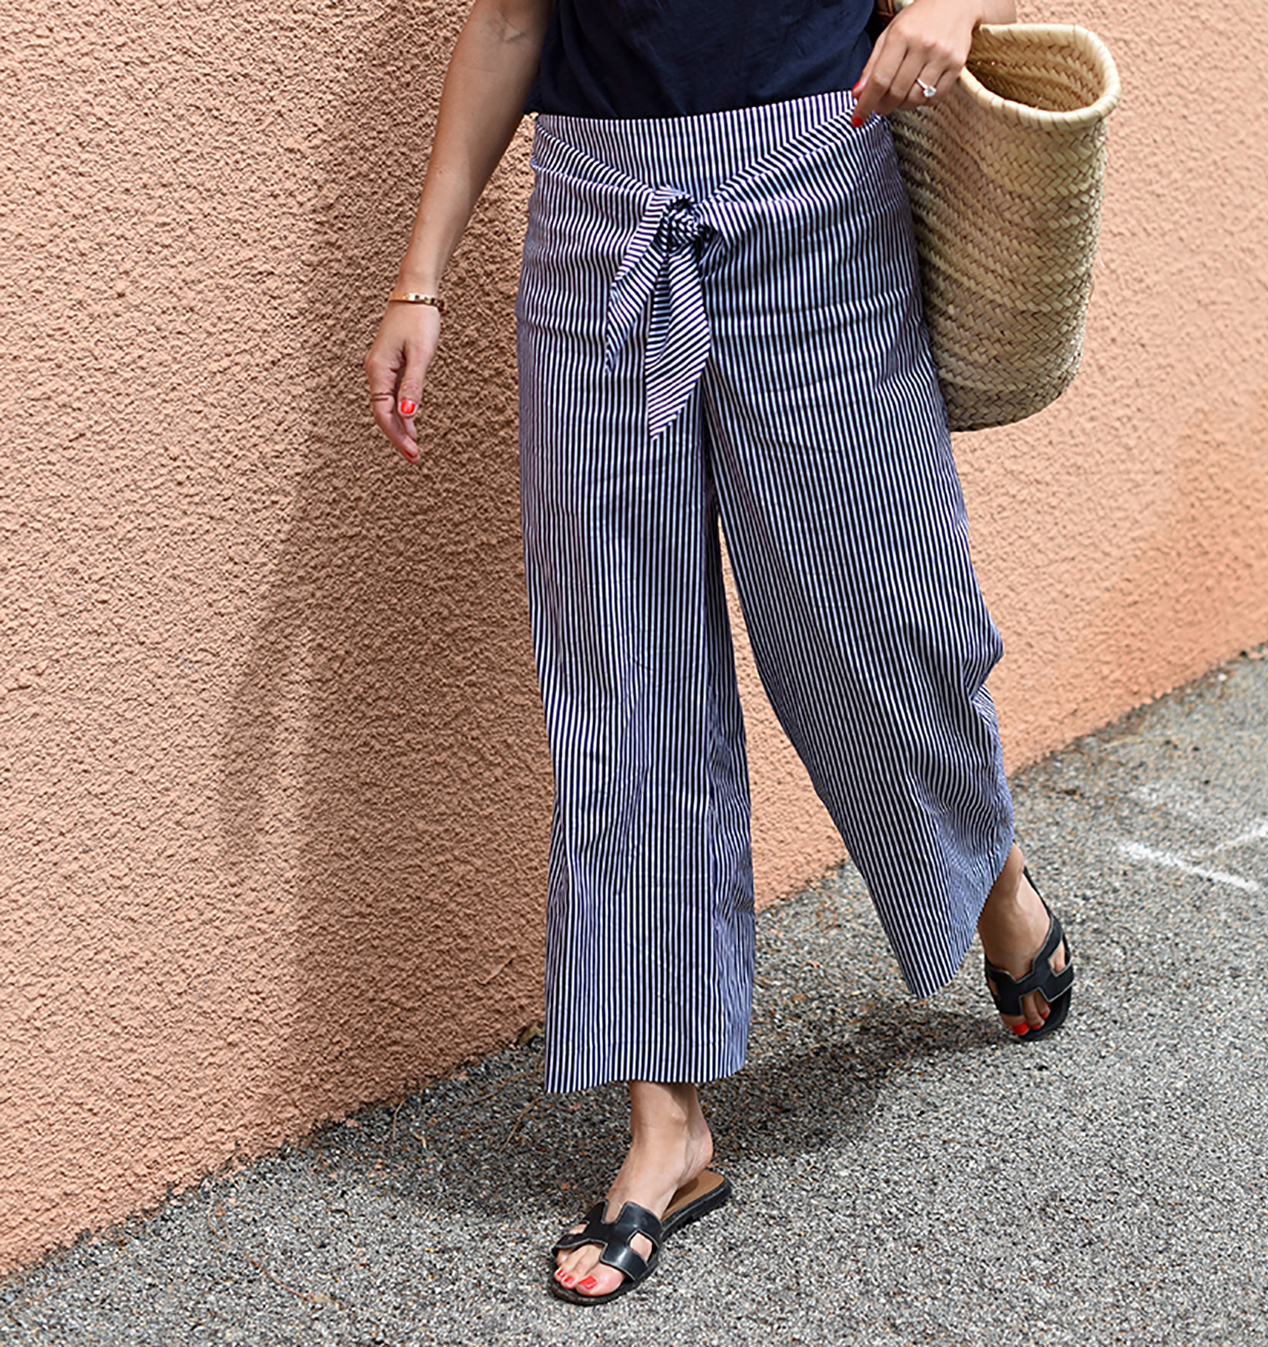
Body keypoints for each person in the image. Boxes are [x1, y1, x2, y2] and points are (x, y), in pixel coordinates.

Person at [364, 0, 1074, 1305]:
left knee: (885, 623)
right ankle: (670, 1130)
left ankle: (987, 871)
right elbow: (512, 20)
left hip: (818, 196)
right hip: (600, 229)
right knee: (624, 680)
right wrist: (422, 279)